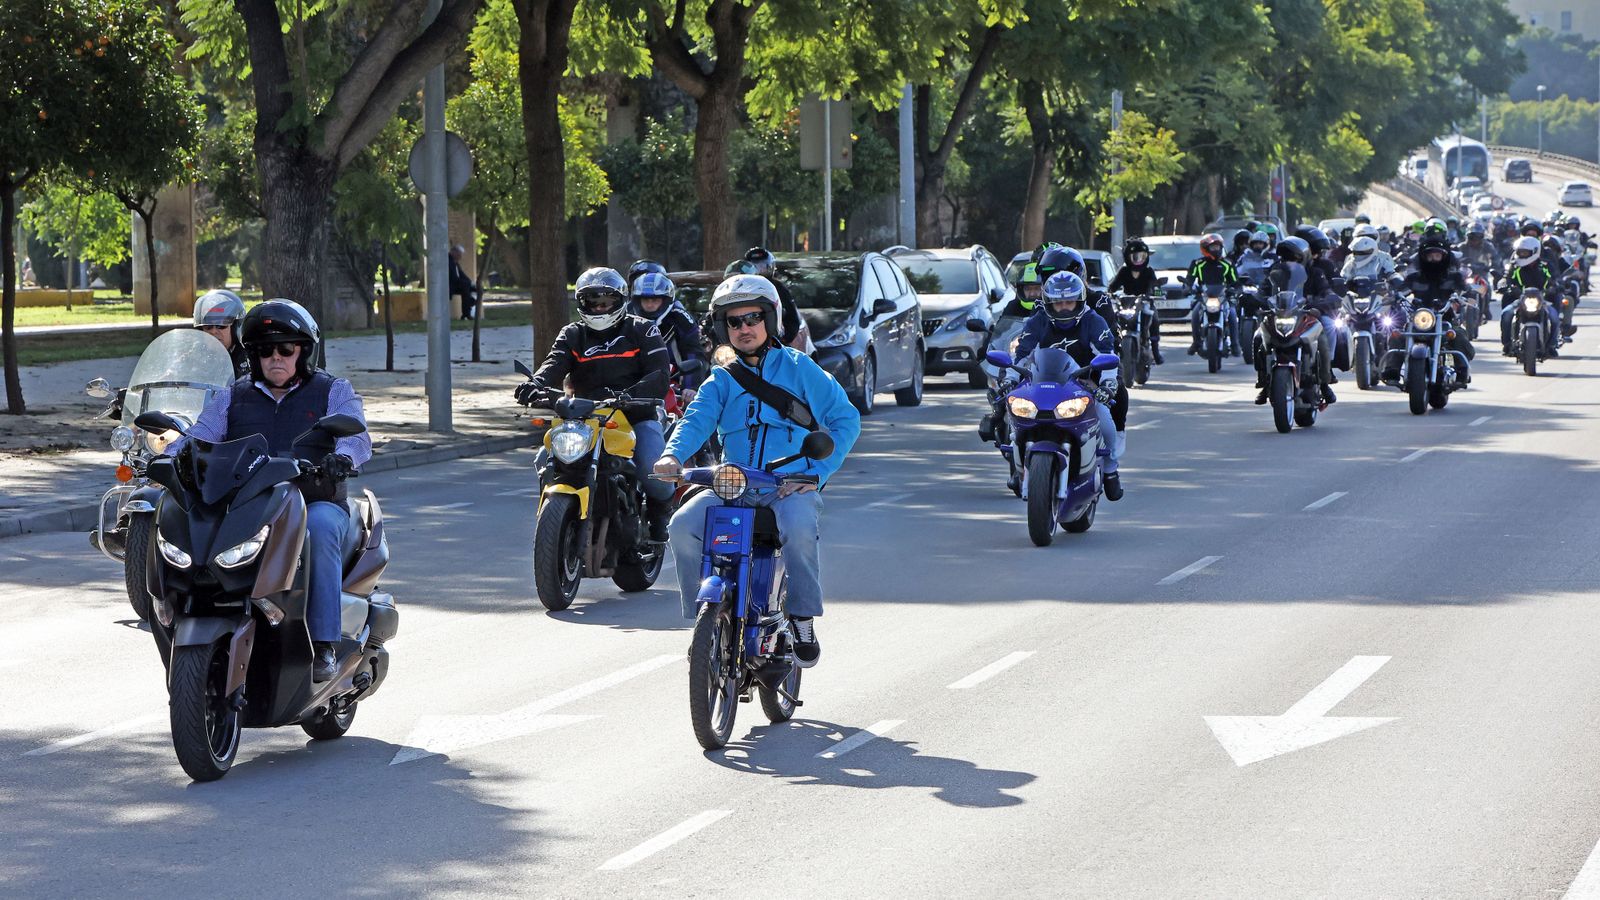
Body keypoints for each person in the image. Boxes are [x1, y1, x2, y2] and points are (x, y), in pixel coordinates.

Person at [654, 274, 861, 667]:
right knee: (682, 525)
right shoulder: (721, 378)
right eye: (734, 321)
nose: (744, 328)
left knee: (799, 531)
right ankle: (705, 625)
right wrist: (672, 457)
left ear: (770, 319)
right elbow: (696, 419)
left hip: (789, 486)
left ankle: (801, 617)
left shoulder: (801, 369)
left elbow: (845, 421)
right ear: (723, 327)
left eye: (752, 318)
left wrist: (816, 473)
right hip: (734, 483)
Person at [172, 300, 370, 683]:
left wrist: (343, 458)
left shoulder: (332, 390)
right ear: (254, 355)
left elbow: (358, 436)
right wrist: (173, 455)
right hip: (251, 504)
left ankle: (325, 645)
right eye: (265, 350)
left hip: (314, 501)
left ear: (303, 352)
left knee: (321, 532)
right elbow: (200, 435)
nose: (275, 358)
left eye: (285, 349)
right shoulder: (232, 395)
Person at [513, 267, 675, 540]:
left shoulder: (642, 329)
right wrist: (536, 384)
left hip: (636, 414)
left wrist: (634, 392)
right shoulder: (572, 334)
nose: (599, 308)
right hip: (584, 416)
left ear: (620, 301)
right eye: (592, 302)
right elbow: (554, 364)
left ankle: (660, 517)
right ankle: (558, 519)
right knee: (544, 457)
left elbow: (659, 373)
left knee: (653, 469)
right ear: (581, 303)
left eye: (606, 302)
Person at [1012, 271, 1124, 500]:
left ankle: (1111, 470)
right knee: (1013, 419)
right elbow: (1021, 355)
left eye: (1069, 302)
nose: (1064, 307)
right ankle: (1018, 468)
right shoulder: (1037, 321)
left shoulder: (1094, 321)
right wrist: (1009, 379)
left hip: (1083, 388)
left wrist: (1108, 383)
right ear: (1048, 302)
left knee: (1106, 424)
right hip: (1040, 386)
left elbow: (1108, 355)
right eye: (1058, 302)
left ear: (1080, 301)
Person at [1254, 237, 1336, 406]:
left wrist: (1324, 302)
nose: (1288, 261)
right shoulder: (1275, 271)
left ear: (1304, 257)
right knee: (1257, 338)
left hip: (1307, 316)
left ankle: (1324, 382)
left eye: (1294, 258)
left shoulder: (1315, 272)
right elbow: (1262, 290)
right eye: (1285, 257)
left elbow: (1326, 291)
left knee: (1321, 339)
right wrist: (1254, 299)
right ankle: (1264, 381)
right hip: (1279, 315)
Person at [1383, 236, 1475, 386]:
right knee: (1397, 335)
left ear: (1444, 257)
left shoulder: (1453, 277)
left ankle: (1462, 371)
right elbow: (1402, 291)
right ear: (1423, 257)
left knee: (1458, 335)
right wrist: (1393, 296)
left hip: (1445, 319)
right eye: (1430, 256)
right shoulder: (1415, 278)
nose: (1433, 259)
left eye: (1437, 255)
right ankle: (1392, 370)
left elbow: (1465, 290)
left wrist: (1468, 295)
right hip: (1419, 319)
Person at [626, 271, 709, 385]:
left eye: (655, 300)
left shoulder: (682, 319)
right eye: (645, 300)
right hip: (632, 385)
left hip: (674, 382)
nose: (650, 305)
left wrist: (690, 387)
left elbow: (693, 354)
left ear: (666, 300)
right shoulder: (626, 317)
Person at [1499, 235, 1561, 357]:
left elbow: (1556, 277)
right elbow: (1506, 278)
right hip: (1520, 299)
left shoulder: (1545, 265)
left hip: (1542, 300)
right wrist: (1505, 286)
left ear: (1534, 252)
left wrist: (1556, 287)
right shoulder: (1515, 265)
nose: (1522, 255)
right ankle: (1507, 344)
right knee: (1506, 314)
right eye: (1520, 252)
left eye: (1525, 252)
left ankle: (1551, 345)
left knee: (1554, 318)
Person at [1105, 237, 1164, 364]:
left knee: (1154, 319)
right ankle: (1113, 348)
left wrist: (1158, 293)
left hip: (1145, 303)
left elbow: (1156, 286)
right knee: (1113, 318)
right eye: (1135, 256)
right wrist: (1108, 292)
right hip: (1127, 304)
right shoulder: (1124, 270)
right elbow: (1113, 285)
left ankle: (1155, 351)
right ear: (1128, 256)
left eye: (1142, 256)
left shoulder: (1148, 271)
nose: (1138, 259)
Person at [1183, 233, 1239, 355]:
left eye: (1218, 247)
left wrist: (1235, 289)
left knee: (1233, 315)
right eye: (1213, 247)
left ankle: (1235, 345)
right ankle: (1196, 342)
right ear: (1205, 248)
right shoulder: (1197, 264)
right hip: (1204, 297)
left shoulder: (1228, 264)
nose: (1216, 249)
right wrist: (1187, 287)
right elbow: (1190, 279)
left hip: (1223, 297)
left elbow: (1235, 281)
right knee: (1195, 315)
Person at [740, 247, 804, 346]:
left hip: (771, 342)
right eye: (753, 266)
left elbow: (792, 318)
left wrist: (783, 340)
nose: (758, 270)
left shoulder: (778, 288)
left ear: (770, 267)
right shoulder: (739, 286)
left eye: (762, 266)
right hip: (743, 340)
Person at [193, 289, 250, 377]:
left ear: (235, 329)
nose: (213, 331)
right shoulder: (194, 354)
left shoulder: (248, 358)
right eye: (208, 327)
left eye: (221, 326)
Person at [449, 245, 479, 320]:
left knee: (473, 289)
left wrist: (471, 283)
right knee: (465, 287)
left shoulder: (455, 263)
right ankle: (467, 312)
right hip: (450, 285)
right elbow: (453, 277)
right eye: (459, 254)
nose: (460, 257)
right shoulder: (448, 261)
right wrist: (466, 283)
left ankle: (471, 303)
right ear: (454, 252)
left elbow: (462, 275)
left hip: (458, 284)